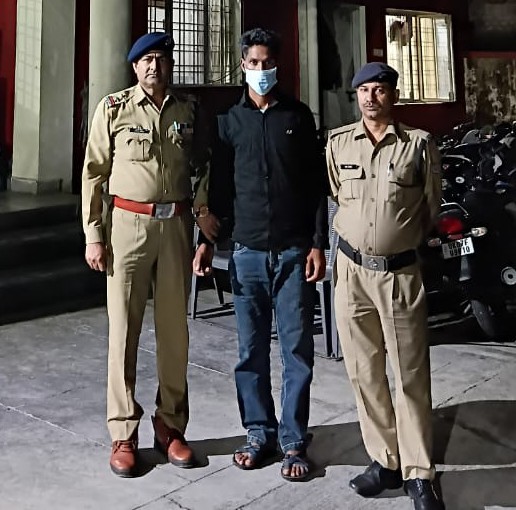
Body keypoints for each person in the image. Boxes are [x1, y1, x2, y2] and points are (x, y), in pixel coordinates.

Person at [82, 32, 219, 477]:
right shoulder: (114, 108)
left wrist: (202, 219)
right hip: (127, 226)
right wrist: (94, 234)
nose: (154, 66)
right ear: (134, 66)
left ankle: (170, 426)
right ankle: (123, 432)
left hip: (175, 225)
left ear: (170, 64)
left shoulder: (188, 110)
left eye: (160, 58)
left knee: (174, 333)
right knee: (123, 330)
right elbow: (94, 173)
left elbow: (202, 167)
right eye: (146, 60)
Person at [193, 28, 328, 481]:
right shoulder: (229, 122)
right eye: (253, 63)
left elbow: (315, 185)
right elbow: (219, 188)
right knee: (249, 351)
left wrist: (317, 242)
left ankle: (293, 441)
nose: (260, 70)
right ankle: (258, 432)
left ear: (277, 65)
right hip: (246, 253)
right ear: (243, 65)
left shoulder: (298, 117)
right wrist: (206, 241)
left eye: (267, 62)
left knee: (296, 351)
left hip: (292, 252)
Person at [326, 62, 444, 510]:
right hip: (351, 272)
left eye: (379, 89)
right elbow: (337, 195)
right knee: (364, 372)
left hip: (399, 274)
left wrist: (397, 237)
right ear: (355, 95)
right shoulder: (338, 143)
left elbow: (430, 206)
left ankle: (419, 473)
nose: (371, 97)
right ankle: (385, 460)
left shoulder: (418, 144)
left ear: (393, 95)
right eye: (364, 90)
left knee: (410, 375)